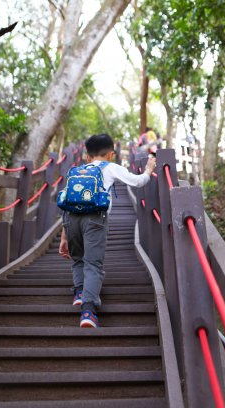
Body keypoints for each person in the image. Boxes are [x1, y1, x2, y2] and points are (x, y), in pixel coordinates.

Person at [59, 133, 156, 328]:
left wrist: (64, 236)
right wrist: (148, 170)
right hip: (95, 219)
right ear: (111, 154)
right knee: (93, 264)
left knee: (77, 258)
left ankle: (79, 293)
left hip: (71, 220)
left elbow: (67, 203)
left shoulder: (78, 170)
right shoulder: (111, 167)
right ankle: (88, 310)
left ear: (87, 156)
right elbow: (137, 182)